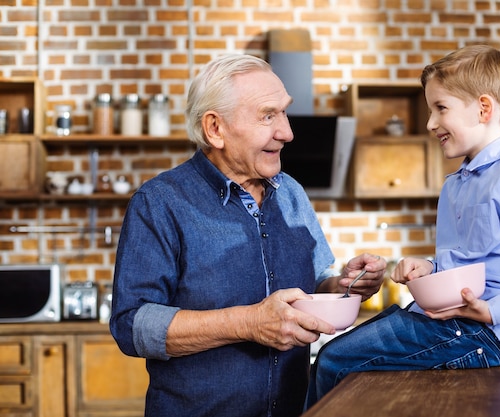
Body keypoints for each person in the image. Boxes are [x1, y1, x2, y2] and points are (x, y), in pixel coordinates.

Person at [304, 45, 500, 407]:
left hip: (483, 333)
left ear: (484, 109)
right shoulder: (456, 184)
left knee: (334, 360)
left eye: (441, 108)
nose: (430, 124)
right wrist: (430, 266)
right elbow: (472, 261)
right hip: (452, 322)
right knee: (337, 355)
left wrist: (494, 311)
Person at [109, 54, 386, 417]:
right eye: (268, 116)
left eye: (284, 113)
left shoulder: (291, 193)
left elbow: (313, 285)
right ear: (215, 129)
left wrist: (344, 286)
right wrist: (249, 323)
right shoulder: (160, 203)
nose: (287, 133)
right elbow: (132, 326)